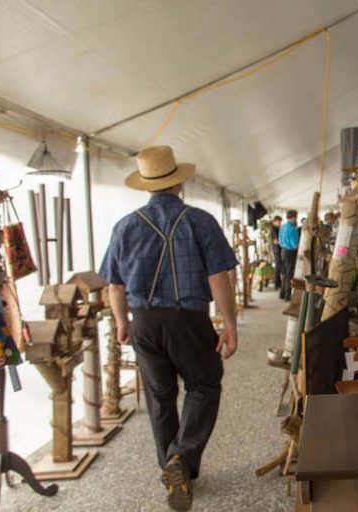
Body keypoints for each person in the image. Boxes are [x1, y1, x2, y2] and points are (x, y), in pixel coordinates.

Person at [99, 146, 238, 510]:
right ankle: (182, 457)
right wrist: (229, 323)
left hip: (143, 320)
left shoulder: (125, 226)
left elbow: (113, 286)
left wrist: (121, 323)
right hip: (187, 319)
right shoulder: (200, 221)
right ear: (179, 183)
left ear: (147, 185)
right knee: (204, 385)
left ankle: (171, 467)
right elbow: (218, 276)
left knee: (159, 395)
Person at [278, 210, 299, 301]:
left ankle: (282, 293)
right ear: (294, 217)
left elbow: (279, 240)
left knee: (285, 274)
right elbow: (294, 244)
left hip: (282, 251)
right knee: (290, 274)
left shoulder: (282, 227)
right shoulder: (292, 228)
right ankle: (287, 296)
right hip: (290, 252)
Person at [270, 216, 283, 290]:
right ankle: (277, 284)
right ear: (274, 221)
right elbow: (276, 241)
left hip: (279, 250)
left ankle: (279, 282)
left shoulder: (278, 229)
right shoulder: (273, 229)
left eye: (280, 221)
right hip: (277, 250)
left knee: (280, 266)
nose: (280, 223)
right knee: (278, 267)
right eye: (278, 221)